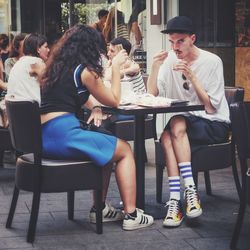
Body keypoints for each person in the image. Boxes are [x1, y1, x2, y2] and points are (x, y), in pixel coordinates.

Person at [39, 24, 154, 230]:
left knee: (106, 149)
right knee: (125, 150)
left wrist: (94, 107)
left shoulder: (55, 68)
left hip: (44, 137)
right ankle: (132, 214)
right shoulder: (84, 71)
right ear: (91, 48)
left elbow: (71, 98)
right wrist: (117, 66)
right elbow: (115, 100)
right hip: (64, 136)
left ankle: (99, 209)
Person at [147, 16, 230, 227]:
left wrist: (192, 76)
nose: (175, 47)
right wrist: (155, 67)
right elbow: (151, 95)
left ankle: (181, 196)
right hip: (184, 125)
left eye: (180, 41)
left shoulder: (212, 61)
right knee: (168, 133)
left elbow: (211, 107)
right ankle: (180, 198)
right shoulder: (169, 61)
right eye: (172, 42)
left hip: (214, 123)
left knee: (174, 124)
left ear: (192, 38)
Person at [6, 33, 50, 104]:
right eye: (46, 47)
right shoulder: (36, 62)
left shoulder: (19, 63)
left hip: (13, 110)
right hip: (32, 109)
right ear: (38, 49)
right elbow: (50, 85)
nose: (48, 50)